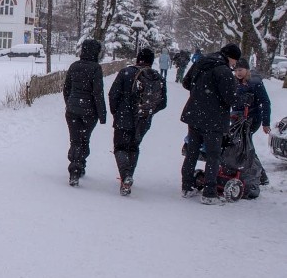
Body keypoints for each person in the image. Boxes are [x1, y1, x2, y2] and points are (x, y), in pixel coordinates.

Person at [180, 43, 241, 204]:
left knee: (192, 152)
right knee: (213, 156)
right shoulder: (224, 71)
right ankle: (209, 193)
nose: (235, 65)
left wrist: (199, 93)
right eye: (235, 61)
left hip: (194, 114)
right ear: (230, 57)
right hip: (213, 119)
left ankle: (187, 186)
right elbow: (230, 98)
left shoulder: (201, 61)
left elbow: (186, 82)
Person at [108, 48, 167, 196]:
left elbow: (113, 94)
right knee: (133, 148)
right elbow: (163, 103)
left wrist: (116, 111)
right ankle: (129, 177)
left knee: (120, 147)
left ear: (137, 58)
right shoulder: (157, 77)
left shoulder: (126, 73)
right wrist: (147, 112)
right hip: (143, 119)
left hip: (124, 117)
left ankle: (126, 177)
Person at [63, 39, 107, 187]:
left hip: (73, 111)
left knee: (75, 140)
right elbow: (98, 93)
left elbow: (66, 88)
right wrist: (102, 114)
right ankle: (78, 165)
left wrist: (69, 104)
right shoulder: (95, 68)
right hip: (89, 111)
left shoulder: (74, 66)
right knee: (84, 139)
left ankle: (75, 167)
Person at [233, 58, 271, 185]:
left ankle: (260, 175)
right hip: (238, 118)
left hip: (252, 118)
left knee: (246, 144)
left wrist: (266, 123)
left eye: (241, 70)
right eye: (236, 70)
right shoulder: (235, 82)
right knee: (240, 144)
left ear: (247, 70)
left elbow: (265, 102)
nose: (238, 72)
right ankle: (252, 172)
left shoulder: (255, 83)